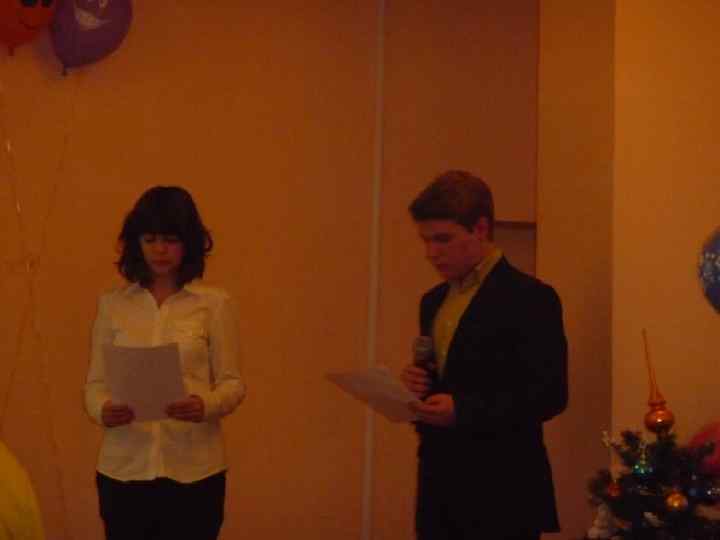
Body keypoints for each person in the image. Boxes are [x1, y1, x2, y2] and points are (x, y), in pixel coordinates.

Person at [400, 170, 568, 540]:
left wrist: (464, 409)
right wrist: (419, 383)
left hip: (502, 488)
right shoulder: (433, 301)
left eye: (443, 239)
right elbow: (451, 375)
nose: (431, 253)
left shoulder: (531, 298)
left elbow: (550, 394)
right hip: (439, 484)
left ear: (480, 229)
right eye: (426, 240)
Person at [85, 186, 245, 540]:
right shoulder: (113, 304)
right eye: (150, 239)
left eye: (170, 240)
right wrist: (103, 410)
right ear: (136, 243)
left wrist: (205, 405)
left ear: (189, 243)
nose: (159, 249)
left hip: (196, 472)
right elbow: (95, 385)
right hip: (124, 470)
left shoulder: (214, 304)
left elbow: (233, 384)